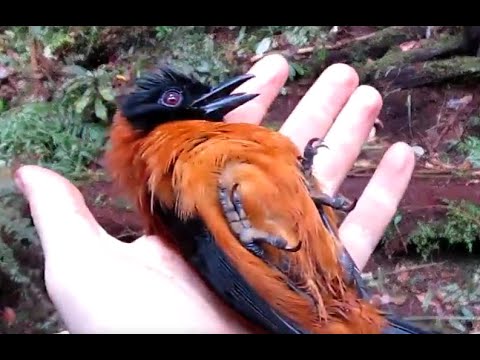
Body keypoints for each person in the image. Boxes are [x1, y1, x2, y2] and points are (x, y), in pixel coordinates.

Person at [13, 55, 415, 334]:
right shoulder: (163, 156)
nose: (197, 103)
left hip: (328, 292)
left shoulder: (205, 147)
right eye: (174, 99)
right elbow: (226, 261)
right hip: (291, 305)